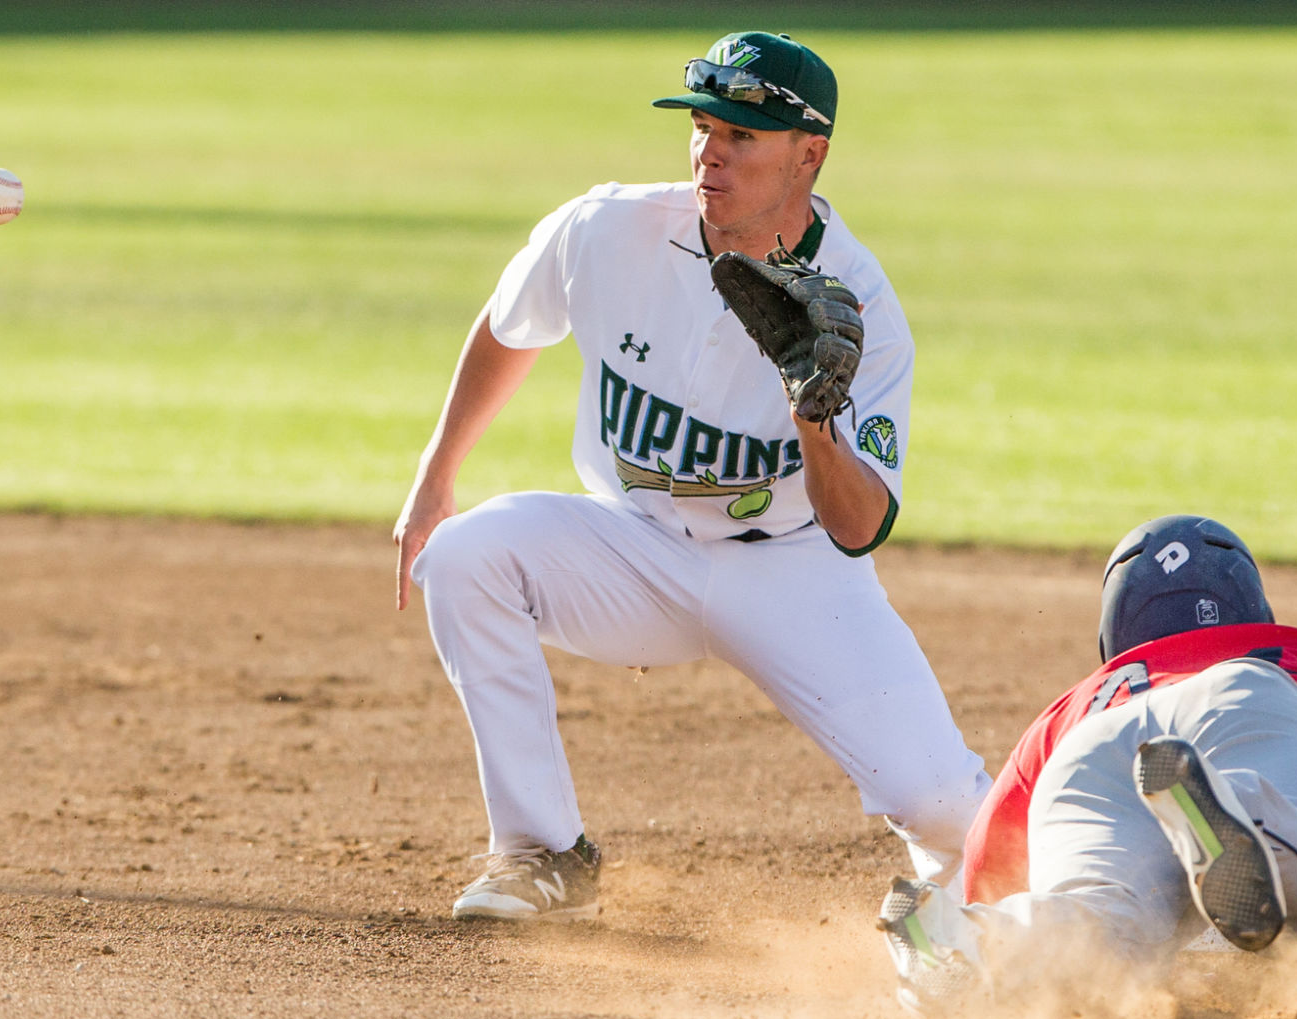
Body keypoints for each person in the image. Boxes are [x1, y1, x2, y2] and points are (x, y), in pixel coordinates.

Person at [393, 32, 990, 922]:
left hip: (790, 570)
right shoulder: (605, 230)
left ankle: (1001, 882)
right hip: (631, 549)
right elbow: (509, 324)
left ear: (809, 154)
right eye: (705, 127)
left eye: (742, 136)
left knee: (950, 810)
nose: (711, 152)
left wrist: (813, 425)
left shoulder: (862, 307)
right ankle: (543, 853)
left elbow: (858, 526)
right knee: (468, 555)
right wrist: (435, 475)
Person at [877, 515, 1297, 1013]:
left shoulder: (1076, 703)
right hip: (1249, 706)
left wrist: (975, 908)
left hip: (1093, 752)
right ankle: (1239, 813)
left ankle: (957, 939)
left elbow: (992, 853)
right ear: (1253, 608)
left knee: (1105, 927)